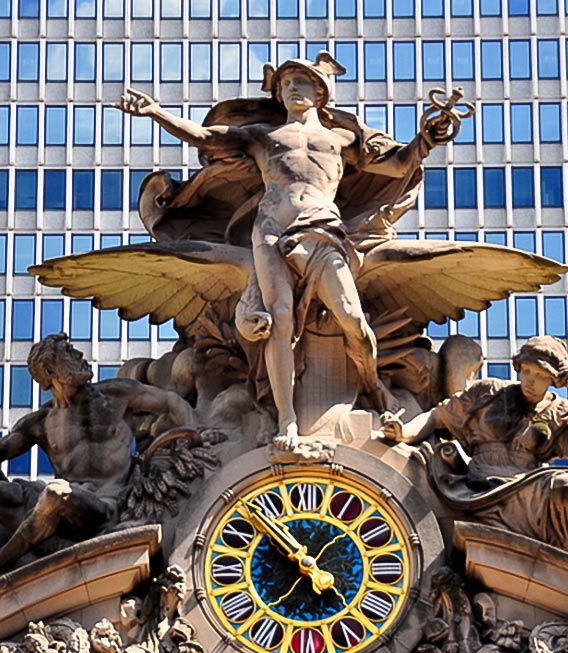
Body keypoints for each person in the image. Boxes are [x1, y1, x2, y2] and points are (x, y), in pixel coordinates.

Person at [114, 53, 452, 450]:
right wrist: (157, 113)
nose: (292, 88)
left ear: (321, 92)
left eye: (302, 81)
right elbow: (206, 138)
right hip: (271, 231)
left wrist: (426, 139)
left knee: (354, 321)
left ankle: (372, 384)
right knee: (279, 321)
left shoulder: (341, 139)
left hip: (322, 230)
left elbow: (398, 165)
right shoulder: (263, 136)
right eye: (286, 83)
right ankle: (286, 419)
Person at [379, 335, 568, 589]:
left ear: (555, 380)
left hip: (529, 487)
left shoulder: (560, 411)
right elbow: (438, 416)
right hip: (481, 487)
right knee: (564, 485)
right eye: (526, 372)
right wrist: (403, 433)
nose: (531, 381)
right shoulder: (489, 392)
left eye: (541, 376)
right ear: (518, 368)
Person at [0, 333, 193, 603]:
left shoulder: (115, 394)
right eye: (70, 354)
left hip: (105, 506)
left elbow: (172, 402)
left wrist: (197, 435)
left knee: (55, 493)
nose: (81, 357)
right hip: (58, 515)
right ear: (50, 370)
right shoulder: (40, 422)